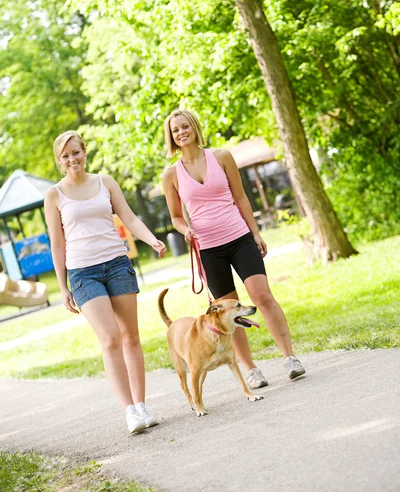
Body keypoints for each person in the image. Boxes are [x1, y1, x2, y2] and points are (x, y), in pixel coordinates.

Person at [162, 109, 305, 389]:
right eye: (175, 129)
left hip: (239, 237)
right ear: (172, 137)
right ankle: (250, 369)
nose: (181, 132)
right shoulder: (171, 175)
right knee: (230, 314)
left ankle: (290, 358)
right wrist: (185, 230)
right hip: (208, 249)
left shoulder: (222, 157)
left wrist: (255, 233)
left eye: (185, 125)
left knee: (262, 296)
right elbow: (176, 217)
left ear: (194, 127)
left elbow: (241, 197)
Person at [44, 130, 166, 435]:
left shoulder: (105, 183)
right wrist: (63, 287)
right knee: (110, 338)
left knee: (131, 337)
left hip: (117, 265)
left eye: (76, 152)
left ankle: (142, 406)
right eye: (66, 155)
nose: (72, 159)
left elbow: (129, 218)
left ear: (85, 152)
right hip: (83, 273)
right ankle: (129, 411)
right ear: (59, 160)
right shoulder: (54, 195)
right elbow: (57, 245)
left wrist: (152, 240)